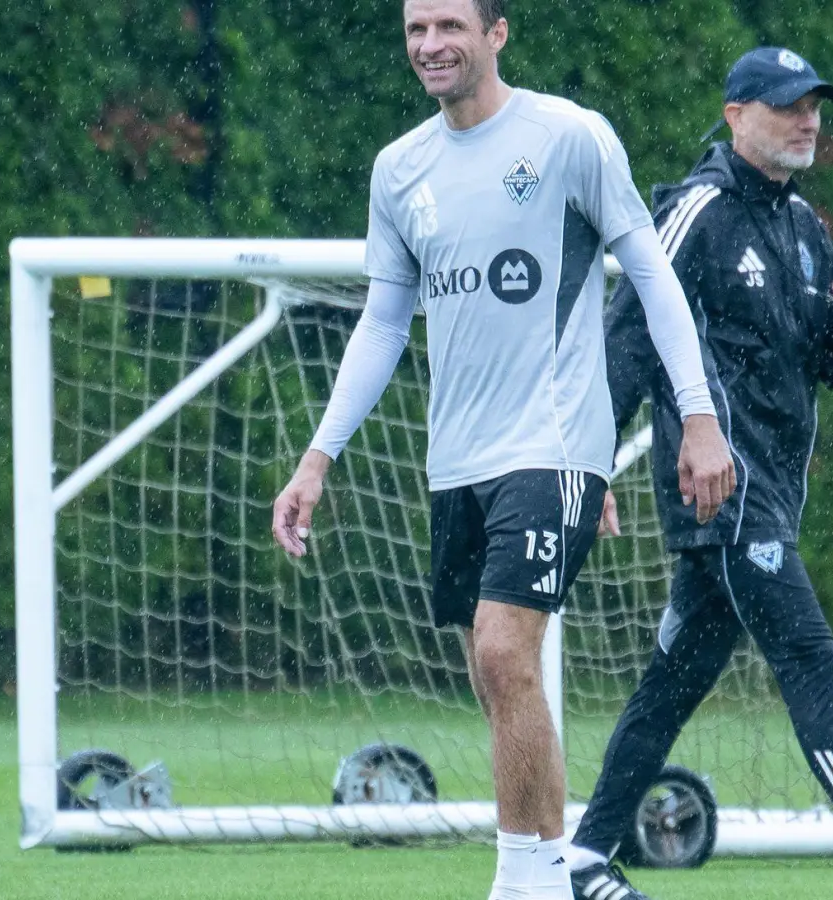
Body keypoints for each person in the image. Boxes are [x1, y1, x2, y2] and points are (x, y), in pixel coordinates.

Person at [270, 3, 735, 898]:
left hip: (555, 441)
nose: (431, 45)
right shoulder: (399, 170)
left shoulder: (568, 138)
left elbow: (650, 276)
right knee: (492, 675)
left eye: (450, 25)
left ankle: (529, 883)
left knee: (501, 651)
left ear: (497, 33)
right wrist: (316, 457)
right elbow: (382, 322)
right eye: (415, 30)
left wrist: (699, 414)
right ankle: (543, 873)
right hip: (460, 461)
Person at [565, 48, 833, 900]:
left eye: (814, 107)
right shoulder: (698, 209)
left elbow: (826, 363)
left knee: (672, 684)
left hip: (770, 496)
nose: (807, 120)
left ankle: (583, 859)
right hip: (724, 498)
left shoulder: (803, 227)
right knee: (809, 655)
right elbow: (628, 333)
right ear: (736, 116)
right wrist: (589, 464)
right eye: (786, 106)